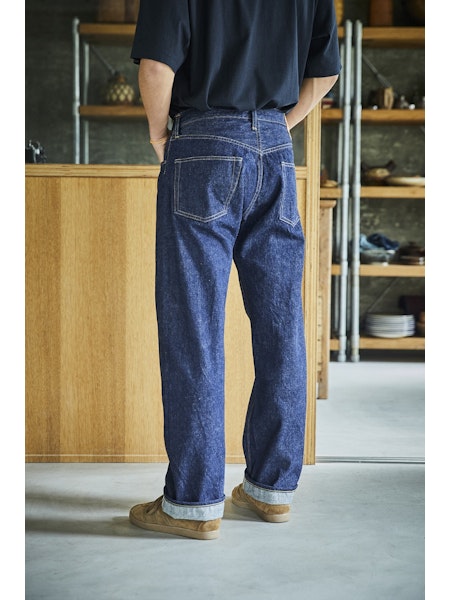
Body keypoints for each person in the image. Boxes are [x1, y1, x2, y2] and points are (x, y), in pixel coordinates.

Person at [129, 0, 340, 540]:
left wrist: (159, 135)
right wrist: (273, 127)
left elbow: (156, 66)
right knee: (281, 324)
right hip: (275, 147)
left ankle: (193, 503)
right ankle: (271, 490)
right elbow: (326, 72)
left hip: (202, 142)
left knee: (194, 325)